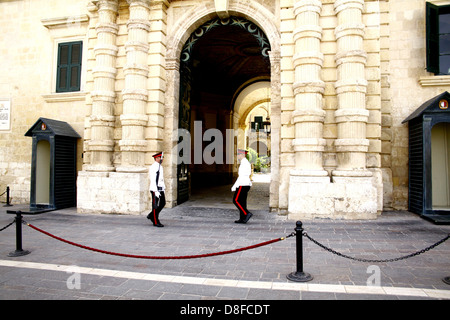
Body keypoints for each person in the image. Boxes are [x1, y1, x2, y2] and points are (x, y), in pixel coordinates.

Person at [231, 149, 253, 223]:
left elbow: (241, 176)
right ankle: (243, 218)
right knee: (242, 201)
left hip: (242, 184)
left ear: (242, 155)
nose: (237, 156)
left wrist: (235, 186)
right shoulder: (245, 162)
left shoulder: (244, 163)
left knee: (236, 200)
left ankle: (246, 213)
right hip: (245, 184)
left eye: (238, 154)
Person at [147, 152, 166, 227]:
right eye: (161, 157)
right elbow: (153, 179)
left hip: (160, 189)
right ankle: (155, 221)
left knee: (162, 203)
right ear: (157, 158)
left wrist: (163, 188)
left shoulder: (160, 166)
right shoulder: (154, 166)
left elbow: (161, 179)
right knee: (155, 206)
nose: (162, 159)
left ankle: (151, 215)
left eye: (162, 157)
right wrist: (155, 190)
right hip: (155, 189)